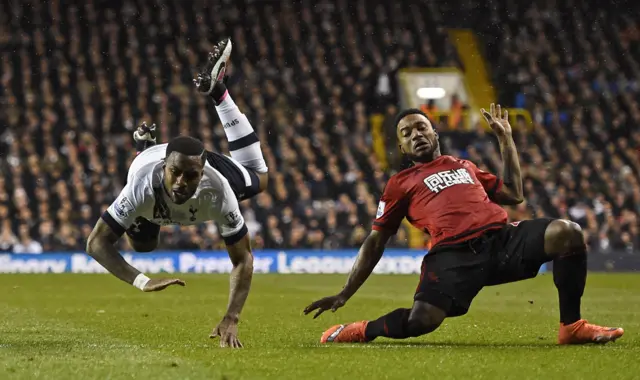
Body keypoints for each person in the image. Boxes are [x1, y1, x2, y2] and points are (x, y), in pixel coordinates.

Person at [304, 105, 624, 345]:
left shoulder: (464, 164)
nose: (416, 134)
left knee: (568, 232)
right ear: (402, 148)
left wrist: (506, 139)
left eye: (421, 127)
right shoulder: (399, 184)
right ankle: (362, 330)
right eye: (407, 133)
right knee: (422, 321)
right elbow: (375, 241)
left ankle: (571, 327)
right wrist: (345, 292)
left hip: (501, 241)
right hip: (452, 256)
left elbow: (514, 194)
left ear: (435, 134)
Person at [86, 38, 265, 348]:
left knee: (260, 180)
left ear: (202, 171)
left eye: (190, 176)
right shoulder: (140, 187)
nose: (182, 182)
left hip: (188, 167)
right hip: (147, 172)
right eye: (176, 173)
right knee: (143, 247)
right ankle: (145, 147)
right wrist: (142, 281)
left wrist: (232, 317)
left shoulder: (217, 187)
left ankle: (218, 93)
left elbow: (242, 259)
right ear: (166, 168)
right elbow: (96, 242)